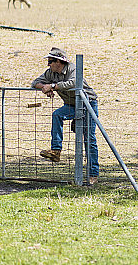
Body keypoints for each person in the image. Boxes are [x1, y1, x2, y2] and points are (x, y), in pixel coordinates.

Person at [31, 47, 99, 185]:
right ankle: (56, 151)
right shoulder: (50, 73)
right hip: (71, 105)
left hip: (87, 104)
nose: (48, 64)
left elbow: (73, 83)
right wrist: (45, 88)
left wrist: (53, 86)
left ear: (59, 61)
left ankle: (93, 174)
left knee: (89, 139)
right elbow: (35, 82)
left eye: (50, 61)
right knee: (57, 115)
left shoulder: (72, 68)